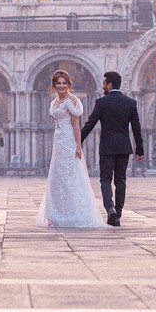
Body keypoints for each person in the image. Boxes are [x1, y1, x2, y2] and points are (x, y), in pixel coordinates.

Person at [36, 70, 107, 228]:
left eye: (64, 83)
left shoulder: (72, 100)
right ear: (54, 85)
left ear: (68, 84)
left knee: (71, 175)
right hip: (58, 140)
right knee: (58, 175)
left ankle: (75, 213)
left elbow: (76, 125)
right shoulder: (54, 102)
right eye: (58, 83)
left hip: (68, 140)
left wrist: (78, 145)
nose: (61, 86)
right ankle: (59, 212)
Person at [80, 70, 144, 227]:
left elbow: (90, 123)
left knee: (106, 179)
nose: (102, 86)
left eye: (103, 83)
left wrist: (78, 140)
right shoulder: (130, 103)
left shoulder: (102, 102)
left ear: (109, 85)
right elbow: (136, 127)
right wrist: (139, 149)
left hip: (107, 147)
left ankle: (110, 209)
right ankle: (118, 213)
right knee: (121, 180)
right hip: (124, 147)